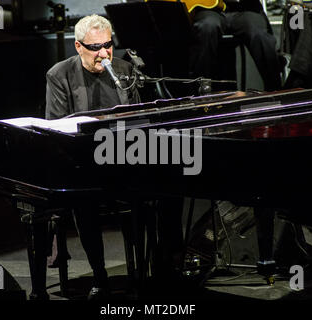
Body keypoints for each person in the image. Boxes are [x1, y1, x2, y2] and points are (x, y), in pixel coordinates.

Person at [45, 14, 184, 300]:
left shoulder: (125, 70)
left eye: (108, 45)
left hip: (123, 157)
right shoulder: (59, 75)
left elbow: (138, 121)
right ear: (78, 47)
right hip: (81, 162)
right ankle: (100, 277)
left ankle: (155, 270)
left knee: (170, 185)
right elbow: (56, 126)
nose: (104, 53)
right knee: (84, 204)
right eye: (95, 47)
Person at [188, 1, 284, 92]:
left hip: (245, 9)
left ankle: (275, 91)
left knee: (258, 33)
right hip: (209, 9)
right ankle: (199, 90)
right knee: (206, 26)